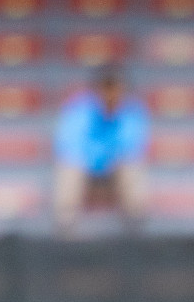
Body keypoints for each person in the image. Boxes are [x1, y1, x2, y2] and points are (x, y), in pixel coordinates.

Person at [53, 64, 148, 235]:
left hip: (115, 174)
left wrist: (109, 159)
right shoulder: (79, 110)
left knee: (131, 167)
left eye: (116, 88)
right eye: (107, 88)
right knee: (70, 166)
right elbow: (69, 147)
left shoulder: (132, 111)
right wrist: (98, 160)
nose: (111, 95)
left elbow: (132, 148)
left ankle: (137, 229)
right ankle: (65, 230)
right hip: (86, 173)